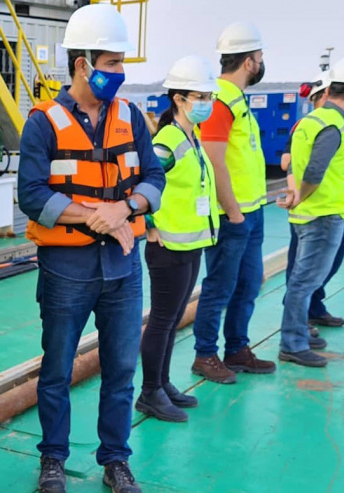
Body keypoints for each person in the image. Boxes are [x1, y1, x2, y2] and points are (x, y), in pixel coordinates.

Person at [18, 3, 164, 493]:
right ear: (82, 65)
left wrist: (126, 207)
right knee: (57, 367)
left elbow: (154, 177)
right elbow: (32, 194)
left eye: (121, 63)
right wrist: (95, 216)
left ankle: (115, 460)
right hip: (67, 267)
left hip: (123, 267)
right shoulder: (44, 122)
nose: (120, 73)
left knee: (121, 368)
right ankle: (53, 457)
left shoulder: (132, 117)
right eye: (113, 63)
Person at [191, 22, 274, 384]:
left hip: (251, 212)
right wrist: (235, 212)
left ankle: (237, 347)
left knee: (248, 282)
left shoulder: (235, 98)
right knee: (220, 286)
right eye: (259, 56)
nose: (260, 62)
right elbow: (213, 158)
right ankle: (205, 354)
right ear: (250, 62)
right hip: (232, 215)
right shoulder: (221, 100)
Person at [139, 55, 219, 423]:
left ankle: (163, 383)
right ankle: (149, 392)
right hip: (168, 246)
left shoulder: (192, 135)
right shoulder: (168, 139)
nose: (206, 103)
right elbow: (144, 180)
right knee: (161, 319)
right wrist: (150, 223)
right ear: (179, 98)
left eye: (209, 96)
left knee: (172, 320)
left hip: (191, 244)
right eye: (199, 96)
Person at [277, 57, 344, 367]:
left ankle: (299, 330)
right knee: (305, 282)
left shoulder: (310, 120)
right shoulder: (335, 125)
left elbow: (293, 164)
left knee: (301, 281)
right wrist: (300, 196)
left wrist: (294, 196)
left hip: (307, 215)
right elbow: (315, 170)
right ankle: (292, 343)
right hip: (323, 215)